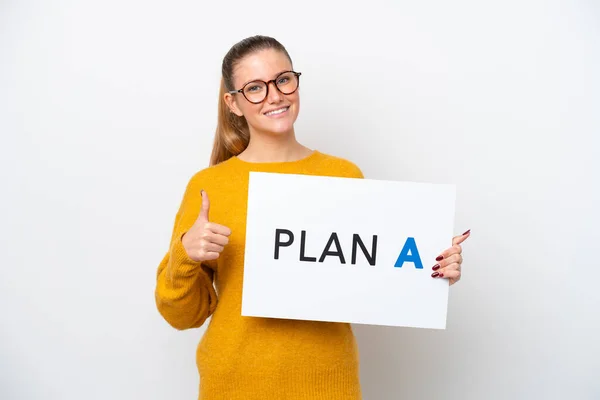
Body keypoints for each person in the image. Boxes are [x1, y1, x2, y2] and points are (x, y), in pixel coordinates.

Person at [154, 35, 470, 400]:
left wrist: (432, 267)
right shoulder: (210, 186)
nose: (275, 96)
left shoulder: (343, 175)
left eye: (283, 79)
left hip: (328, 383)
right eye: (255, 88)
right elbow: (181, 316)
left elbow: (375, 273)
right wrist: (185, 253)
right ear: (234, 103)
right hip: (233, 383)